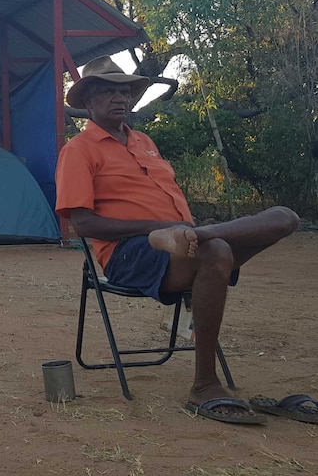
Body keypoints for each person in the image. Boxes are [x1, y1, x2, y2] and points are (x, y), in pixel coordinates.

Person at [55, 55, 300, 425]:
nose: (119, 98)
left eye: (124, 91)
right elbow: (84, 224)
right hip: (131, 254)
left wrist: (186, 230)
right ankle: (204, 385)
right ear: (88, 102)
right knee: (216, 251)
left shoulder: (144, 142)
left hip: (183, 243)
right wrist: (156, 227)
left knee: (285, 217)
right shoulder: (79, 150)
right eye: (107, 91)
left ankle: (199, 234)